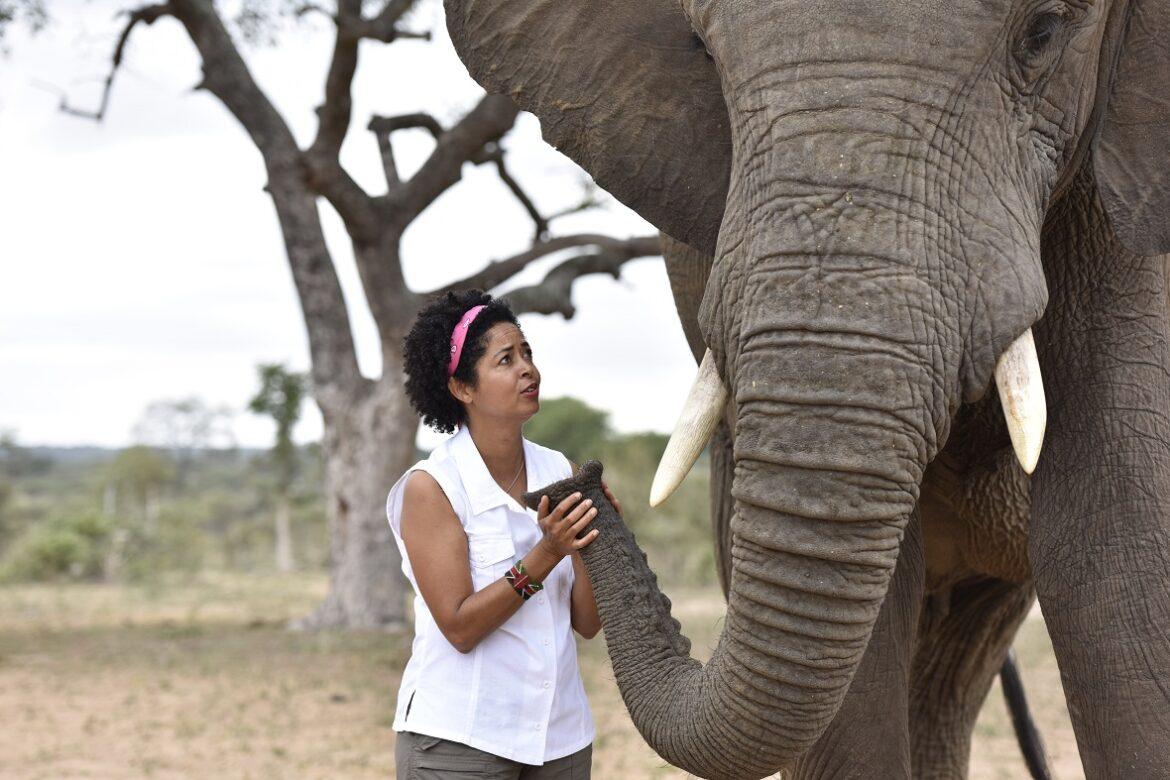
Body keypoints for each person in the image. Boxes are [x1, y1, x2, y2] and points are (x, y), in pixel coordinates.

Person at [386, 289, 616, 779]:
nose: (527, 369)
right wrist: (549, 550)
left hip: (559, 739)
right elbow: (460, 628)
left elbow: (587, 622)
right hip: (461, 740)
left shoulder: (559, 469)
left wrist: (599, 537)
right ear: (463, 389)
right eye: (505, 360)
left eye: (527, 353)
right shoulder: (433, 488)